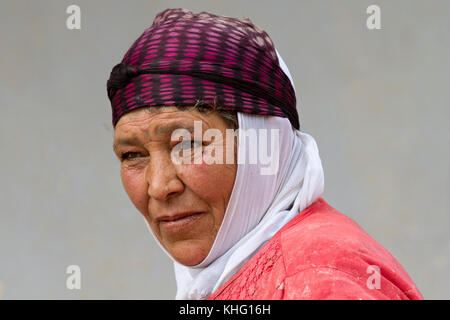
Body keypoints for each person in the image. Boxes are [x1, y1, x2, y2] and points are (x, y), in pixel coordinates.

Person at [107, 8, 423, 300]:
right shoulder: (228, 278)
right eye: (133, 155)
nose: (159, 187)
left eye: (188, 145)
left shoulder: (316, 279)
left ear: (262, 142)